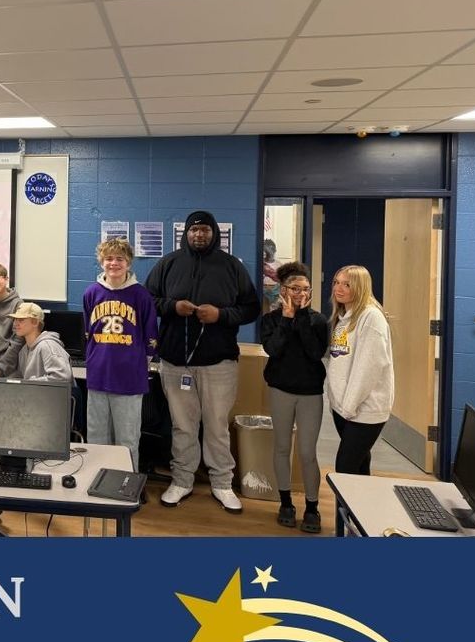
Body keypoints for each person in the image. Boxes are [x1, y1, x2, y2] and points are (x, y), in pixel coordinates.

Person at [147, 210, 261, 512]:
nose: (199, 235)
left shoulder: (232, 266)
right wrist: (173, 307)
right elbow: (148, 301)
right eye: (194, 230)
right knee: (182, 426)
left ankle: (222, 483)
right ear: (186, 233)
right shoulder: (168, 264)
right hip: (175, 362)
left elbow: (251, 308)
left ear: (214, 233)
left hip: (219, 363)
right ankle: (182, 480)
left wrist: (220, 315)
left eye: (205, 230)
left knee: (216, 427)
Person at [259, 262, 328, 533]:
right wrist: (287, 319)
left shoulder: (318, 320)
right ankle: (285, 503)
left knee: (307, 452)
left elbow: (315, 352)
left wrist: (301, 318)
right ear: (283, 290)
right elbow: (273, 349)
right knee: (282, 447)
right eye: (294, 288)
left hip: (310, 393)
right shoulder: (271, 320)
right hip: (280, 390)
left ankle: (312, 507)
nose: (300, 293)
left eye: (305, 289)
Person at [83, 237, 158, 471]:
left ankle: (126, 483)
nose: (113, 263)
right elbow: (88, 333)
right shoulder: (91, 293)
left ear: (129, 263)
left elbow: (151, 337)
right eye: (108, 258)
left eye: (119, 259)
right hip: (98, 377)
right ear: (101, 261)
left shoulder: (141, 295)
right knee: (96, 438)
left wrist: (138, 364)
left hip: (129, 379)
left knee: (127, 440)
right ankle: (96, 480)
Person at [326, 264, 395, 476]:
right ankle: (365, 498)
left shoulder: (371, 317)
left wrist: (348, 407)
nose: (339, 288)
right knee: (360, 465)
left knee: (345, 468)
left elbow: (368, 369)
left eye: (347, 284)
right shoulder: (343, 316)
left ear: (361, 287)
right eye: (336, 282)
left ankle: (349, 502)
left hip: (362, 410)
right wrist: (338, 403)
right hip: (344, 408)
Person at [9, 302, 72, 383]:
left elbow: (62, 377)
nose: (15, 324)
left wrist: (30, 383)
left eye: (21, 320)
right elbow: (22, 378)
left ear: (35, 322)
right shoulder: (23, 351)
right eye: (15, 319)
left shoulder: (47, 346)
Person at [262, 238, 280, 311]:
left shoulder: (279, 265)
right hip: (263, 290)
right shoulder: (261, 264)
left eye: (271, 250)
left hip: (275, 291)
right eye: (266, 250)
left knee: (274, 311)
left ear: (275, 251)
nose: (269, 253)